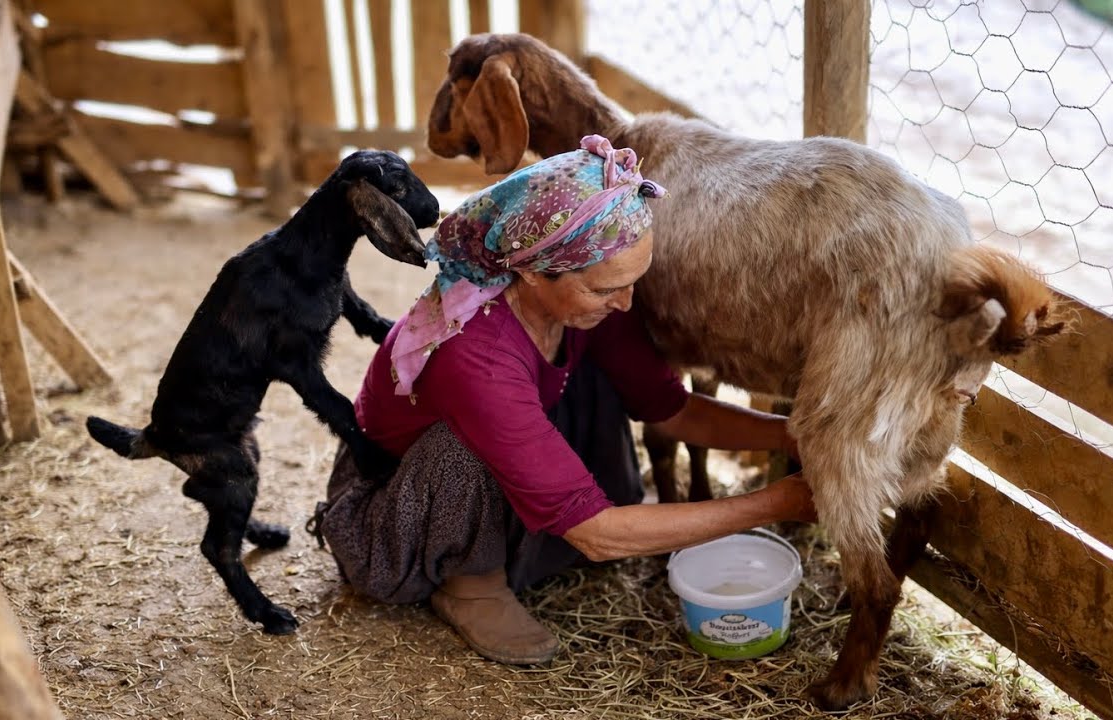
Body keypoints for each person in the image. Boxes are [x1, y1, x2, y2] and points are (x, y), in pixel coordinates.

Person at [312, 135, 816, 666]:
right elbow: (597, 536)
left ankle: (572, 526)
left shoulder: (584, 298)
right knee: (460, 445)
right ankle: (471, 582)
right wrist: (779, 502)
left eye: (632, 283)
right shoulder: (475, 353)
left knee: (594, 370)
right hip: (400, 515)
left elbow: (672, 409)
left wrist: (798, 435)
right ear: (530, 270)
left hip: (503, 453)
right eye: (604, 290)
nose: (624, 304)